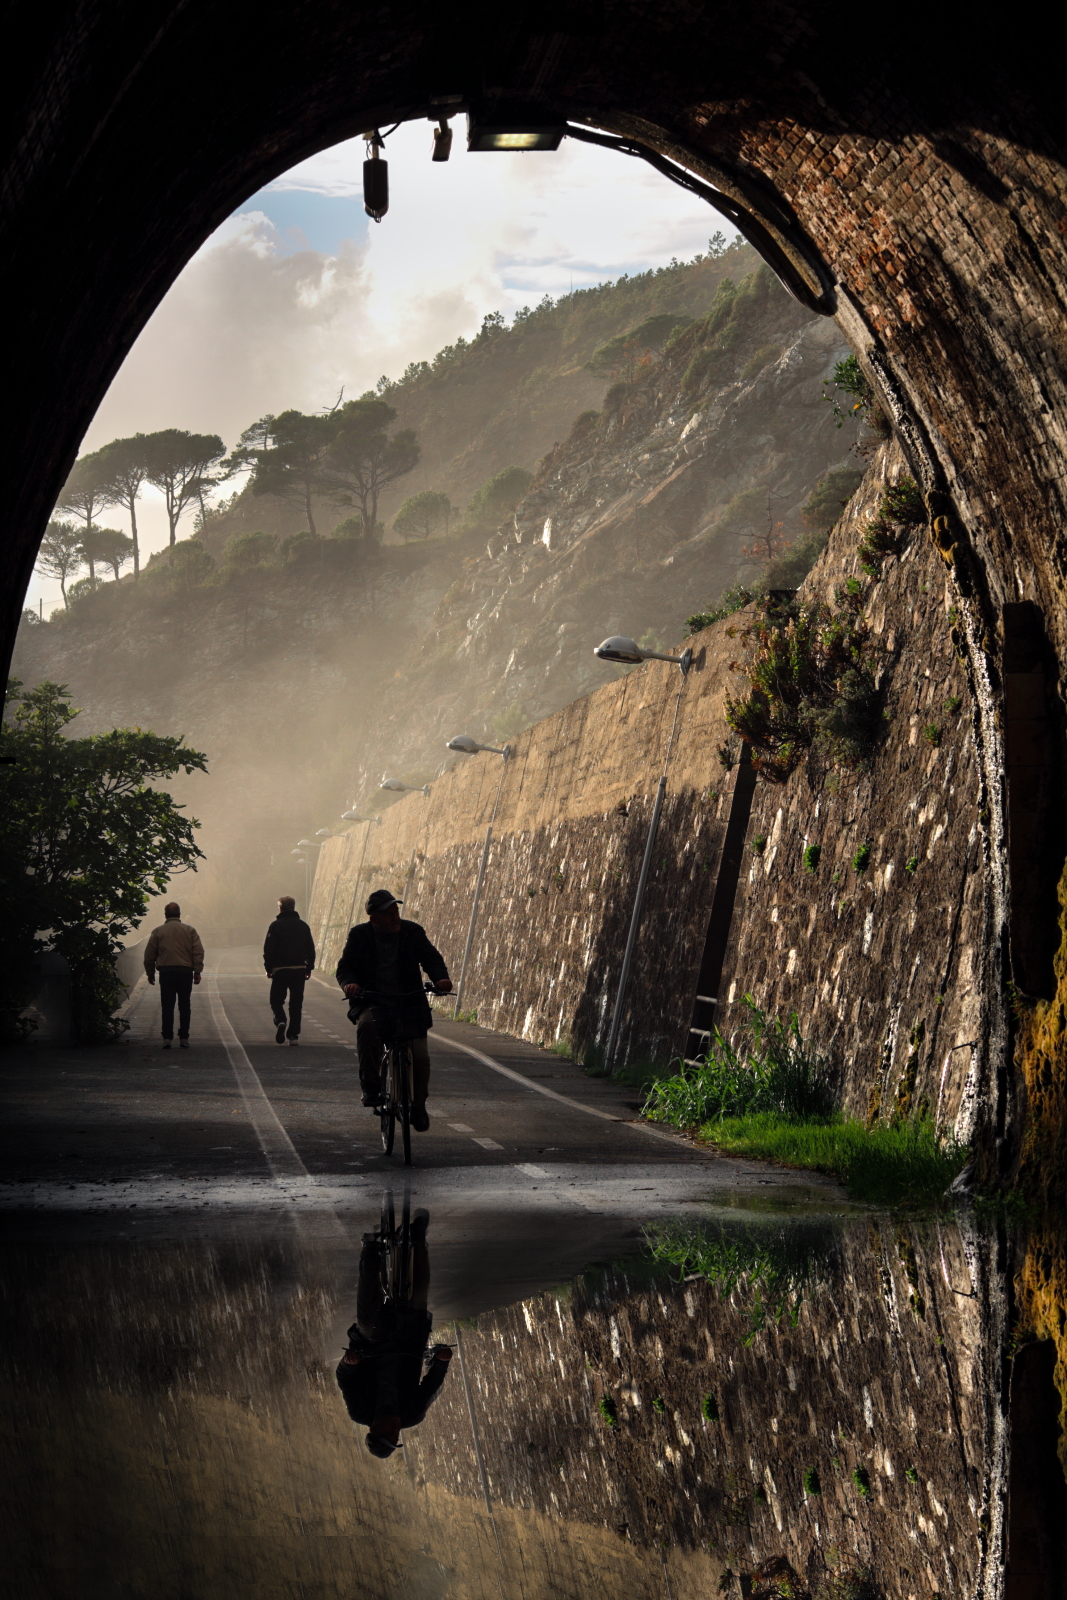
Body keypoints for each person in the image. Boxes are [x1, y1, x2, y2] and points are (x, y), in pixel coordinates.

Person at [335, 1210, 452, 1457]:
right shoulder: (413, 1415)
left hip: (372, 1346)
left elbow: (344, 1379)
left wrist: (349, 1363)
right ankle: (418, 1239)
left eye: (388, 1432)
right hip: (409, 1344)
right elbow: (431, 1385)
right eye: (396, 1436)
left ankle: (371, 1250)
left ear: (374, 1427)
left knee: (367, 1318)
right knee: (419, 1293)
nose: (396, 1430)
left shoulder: (359, 1411)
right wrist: (441, 1362)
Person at [335, 889, 452, 1131]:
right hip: (373, 1001)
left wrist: (441, 979)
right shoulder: (359, 935)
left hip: (409, 1003)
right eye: (388, 914)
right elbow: (345, 966)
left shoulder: (413, 932)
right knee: (367, 1027)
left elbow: (431, 958)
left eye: (396, 912)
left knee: (420, 1057)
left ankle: (418, 1106)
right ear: (374, 919)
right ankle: (371, 1087)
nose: (395, 917)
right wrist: (350, 984)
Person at [144, 901, 205, 1050]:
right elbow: (198, 951)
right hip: (185, 972)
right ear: (179, 915)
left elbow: (149, 954)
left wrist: (150, 972)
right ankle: (184, 1037)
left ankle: (167, 1038)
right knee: (184, 1005)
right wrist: (197, 971)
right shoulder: (190, 930)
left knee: (167, 1006)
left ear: (165, 915)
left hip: (166, 972)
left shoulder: (158, 931)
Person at [263, 894, 316, 1045]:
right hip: (299, 969)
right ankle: (293, 1036)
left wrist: (269, 968)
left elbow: (268, 949)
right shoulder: (303, 926)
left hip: (280, 969)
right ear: (293, 908)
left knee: (276, 1000)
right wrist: (309, 968)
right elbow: (310, 949)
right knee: (296, 1003)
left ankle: (280, 1021)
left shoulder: (275, 926)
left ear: (280, 908)